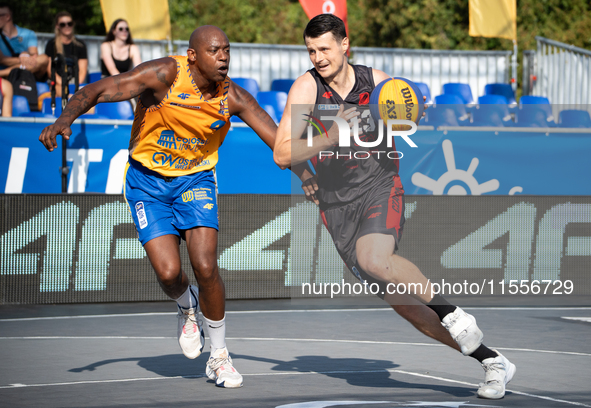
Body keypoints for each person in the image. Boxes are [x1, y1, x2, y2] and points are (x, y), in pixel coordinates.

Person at [40, 25, 308, 389]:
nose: (224, 56)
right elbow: (99, 89)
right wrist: (64, 119)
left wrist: (312, 176)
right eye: (215, 50)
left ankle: (219, 356)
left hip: (195, 180)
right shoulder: (164, 74)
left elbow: (280, 145)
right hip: (146, 182)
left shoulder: (234, 97)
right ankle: (186, 307)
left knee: (205, 264)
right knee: (169, 274)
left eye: (227, 50)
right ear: (193, 56)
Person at [274, 14, 516, 400]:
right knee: (406, 306)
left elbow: (410, 113)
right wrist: (325, 148)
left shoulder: (377, 82)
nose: (317, 57)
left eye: (324, 48)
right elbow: (283, 153)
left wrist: (405, 113)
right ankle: (493, 362)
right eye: (311, 50)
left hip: (379, 186)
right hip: (337, 207)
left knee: (374, 259)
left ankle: (453, 313)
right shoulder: (306, 89)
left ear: (344, 45)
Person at [44, 11, 88, 97]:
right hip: (57, 82)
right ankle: (72, 99)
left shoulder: (80, 45)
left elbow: (82, 71)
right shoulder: (51, 44)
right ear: (57, 26)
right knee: (58, 88)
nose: (67, 26)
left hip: (75, 82)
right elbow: (50, 70)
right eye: (63, 24)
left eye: (69, 23)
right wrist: (62, 82)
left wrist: (76, 84)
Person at [0, 3, 49, 79]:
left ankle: (1, 73)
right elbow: (2, 60)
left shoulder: (28, 33)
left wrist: (25, 54)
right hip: (6, 79)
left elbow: (34, 55)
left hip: (26, 75)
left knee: (44, 59)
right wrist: (23, 58)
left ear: (7, 16)